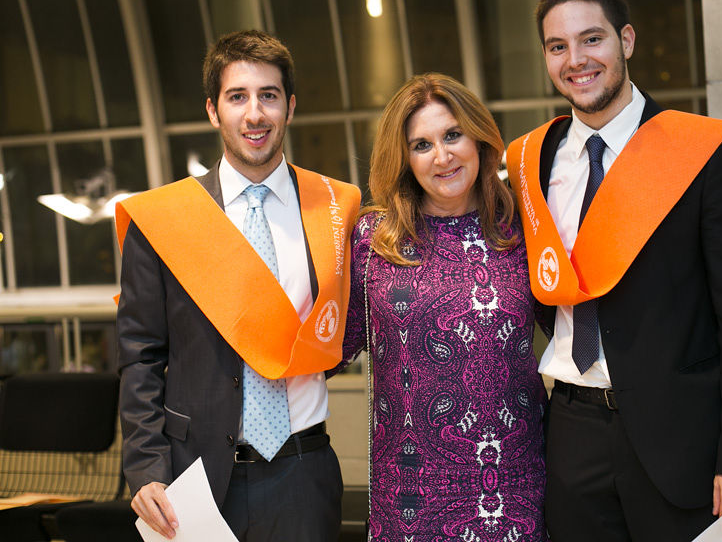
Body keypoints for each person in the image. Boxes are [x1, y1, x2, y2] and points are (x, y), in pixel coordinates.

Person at [505, 0, 722, 541]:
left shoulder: (703, 153)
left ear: (626, 41)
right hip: (573, 431)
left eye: (592, 39)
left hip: (686, 439)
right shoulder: (531, 161)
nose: (576, 60)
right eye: (559, 47)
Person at [116, 30, 360, 542]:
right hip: (192, 480)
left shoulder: (337, 209)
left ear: (289, 108)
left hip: (302, 472)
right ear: (213, 110)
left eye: (269, 95)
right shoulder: (164, 220)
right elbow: (140, 354)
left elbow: (345, 331)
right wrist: (146, 468)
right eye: (237, 97)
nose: (255, 114)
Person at [328, 73, 548, 541]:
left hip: (517, 489)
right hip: (410, 498)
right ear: (405, 159)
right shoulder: (374, 242)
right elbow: (328, 349)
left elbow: (576, 330)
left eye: (453, 135)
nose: (443, 156)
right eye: (422, 144)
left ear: (479, 138)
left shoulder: (522, 232)